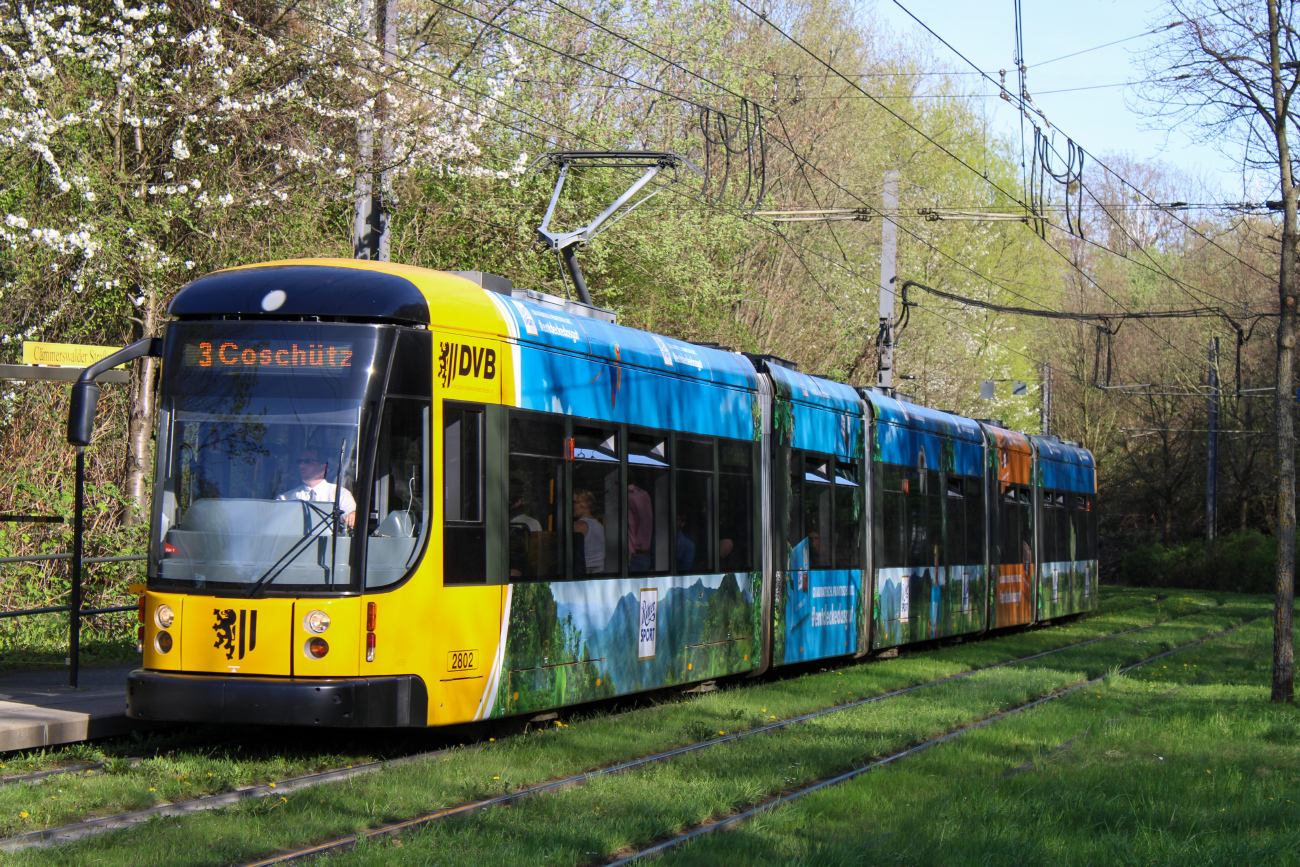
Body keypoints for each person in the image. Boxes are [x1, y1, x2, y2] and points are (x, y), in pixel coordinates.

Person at [277, 447, 356, 529]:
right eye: (300, 461)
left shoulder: (340, 494)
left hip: (327, 541)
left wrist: (353, 515)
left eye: (307, 461)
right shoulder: (285, 498)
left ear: (323, 467)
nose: (301, 465)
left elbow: (350, 517)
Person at [573, 489, 605, 573]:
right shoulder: (599, 525)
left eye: (574, 502)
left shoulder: (578, 526)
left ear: (586, 505)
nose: (571, 506)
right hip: (600, 572)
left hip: (584, 573)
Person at [627, 483, 653, 572]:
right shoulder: (643, 494)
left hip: (635, 553)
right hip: (644, 550)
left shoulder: (630, 497)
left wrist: (630, 552)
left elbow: (630, 525)